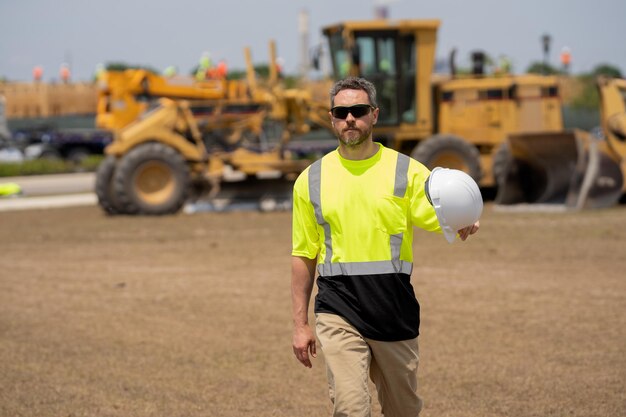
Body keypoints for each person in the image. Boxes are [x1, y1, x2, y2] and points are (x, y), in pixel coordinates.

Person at [290, 76, 479, 417]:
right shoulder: (310, 180)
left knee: (403, 410)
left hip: (394, 308)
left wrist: (463, 217)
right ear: (331, 118)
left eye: (358, 110)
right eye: (341, 112)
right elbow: (304, 254)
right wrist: (300, 324)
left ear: (374, 115)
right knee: (350, 408)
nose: (350, 118)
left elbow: (441, 211)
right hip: (338, 307)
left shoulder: (406, 170)